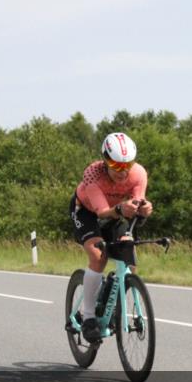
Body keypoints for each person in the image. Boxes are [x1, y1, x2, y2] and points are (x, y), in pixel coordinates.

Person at [69, 132, 153, 342]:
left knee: (129, 257)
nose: (122, 172)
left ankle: (113, 300)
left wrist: (143, 209)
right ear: (105, 161)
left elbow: (136, 204)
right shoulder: (93, 175)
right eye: (116, 166)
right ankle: (88, 318)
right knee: (98, 257)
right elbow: (102, 213)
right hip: (87, 211)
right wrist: (121, 209)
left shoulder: (139, 173)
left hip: (116, 212)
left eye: (127, 165)